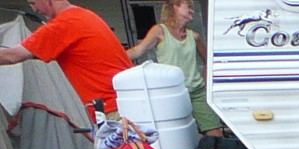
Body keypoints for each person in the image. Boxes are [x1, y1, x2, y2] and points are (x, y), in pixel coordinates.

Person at [0, 0, 131, 122]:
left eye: (33, 3)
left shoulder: (62, 25)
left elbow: (12, 56)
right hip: (126, 105)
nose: (34, 9)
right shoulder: (85, 15)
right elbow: (34, 53)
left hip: (113, 112)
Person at [127, 0, 220, 134]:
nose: (192, 11)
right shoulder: (159, 31)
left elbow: (208, 61)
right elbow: (137, 51)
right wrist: (113, 57)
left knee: (215, 133)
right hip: (172, 93)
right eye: (188, 7)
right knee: (180, 133)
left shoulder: (194, 36)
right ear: (175, 7)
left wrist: (205, 84)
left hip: (197, 92)